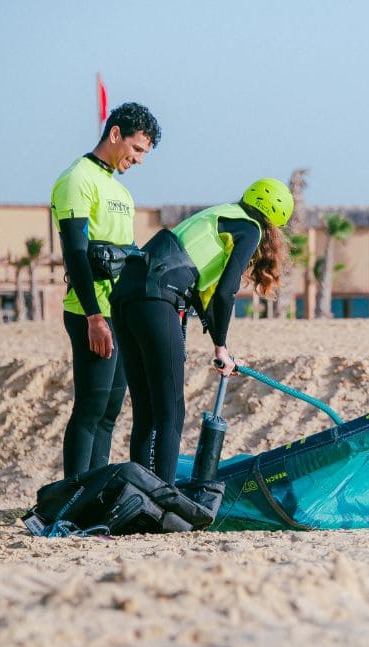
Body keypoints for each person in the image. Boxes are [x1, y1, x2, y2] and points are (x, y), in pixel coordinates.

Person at [109, 178, 292, 483]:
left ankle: (140, 492)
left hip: (125, 296)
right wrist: (221, 348)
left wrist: (221, 347)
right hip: (156, 298)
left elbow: (203, 297)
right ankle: (160, 495)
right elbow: (225, 292)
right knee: (170, 412)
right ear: (276, 224)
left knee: (147, 410)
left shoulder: (219, 215)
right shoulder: (250, 228)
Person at [50, 102, 161, 477]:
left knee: (111, 410)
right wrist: (94, 317)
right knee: (90, 408)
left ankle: (91, 497)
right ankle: (72, 498)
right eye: (137, 149)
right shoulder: (77, 179)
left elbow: (123, 258)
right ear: (116, 134)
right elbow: (76, 254)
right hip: (90, 313)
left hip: (120, 313)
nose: (140, 159)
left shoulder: (121, 192)